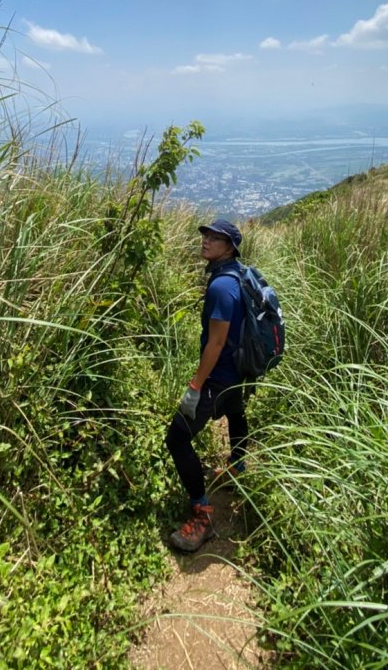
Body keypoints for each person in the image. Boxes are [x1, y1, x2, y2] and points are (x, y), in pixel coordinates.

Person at [166, 219, 248, 552]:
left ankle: (202, 515)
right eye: (206, 235)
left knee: (176, 438)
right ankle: (238, 468)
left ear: (230, 248)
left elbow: (215, 343)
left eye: (216, 238)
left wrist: (195, 385)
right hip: (239, 369)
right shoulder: (239, 276)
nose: (206, 240)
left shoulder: (220, 287)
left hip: (218, 376)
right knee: (235, 411)